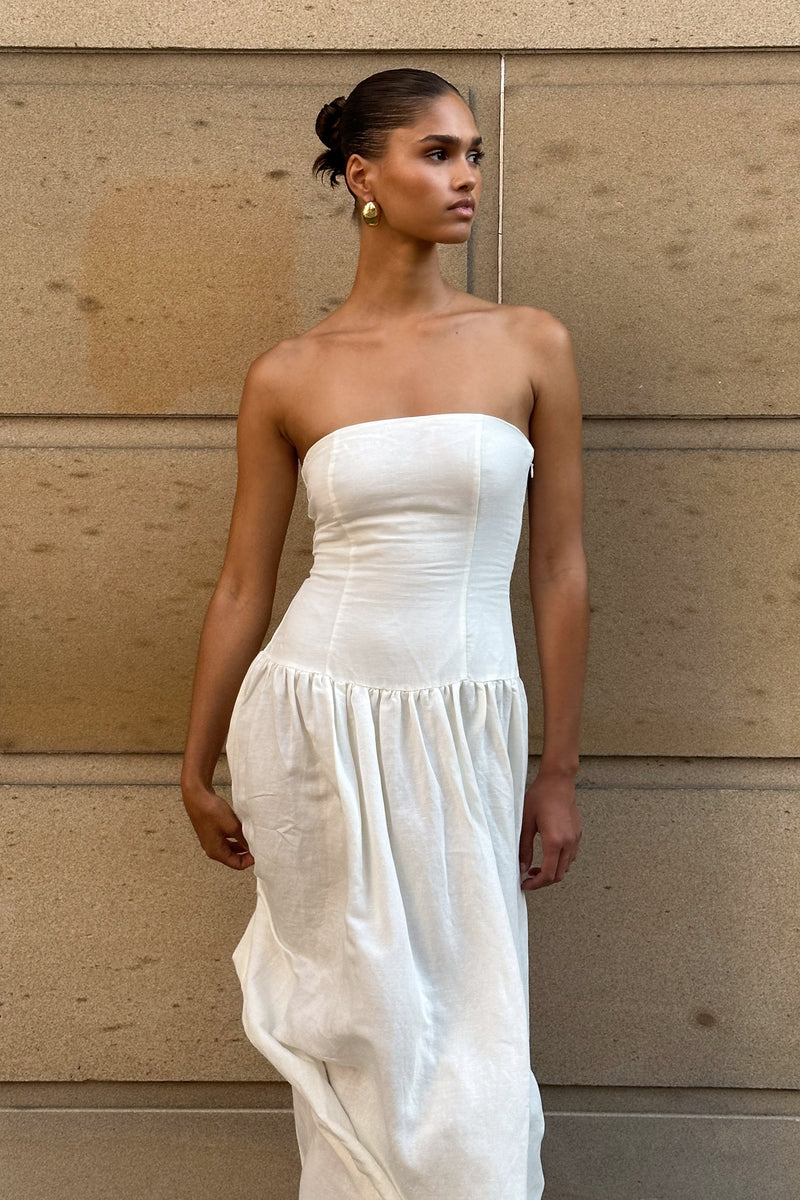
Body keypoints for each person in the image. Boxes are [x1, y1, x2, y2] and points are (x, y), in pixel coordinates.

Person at [180, 66, 588, 1200]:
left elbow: (559, 569)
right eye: (437, 153)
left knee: (470, 1047)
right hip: (312, 721)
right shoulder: (289, 372)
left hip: (463, 724)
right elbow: (242, 586)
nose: (466, 177)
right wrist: (195, 765)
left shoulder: (530, 344)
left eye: (472, 154)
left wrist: (557, 770)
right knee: (360, 1036)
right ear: (363, 175)